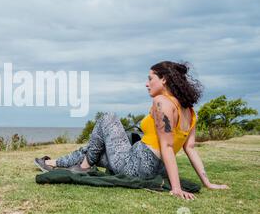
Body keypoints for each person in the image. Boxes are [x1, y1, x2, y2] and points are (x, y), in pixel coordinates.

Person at [34, 61, 229, 200]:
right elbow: (191, 149)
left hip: (136, 165)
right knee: (95, 150)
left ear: (164, 80)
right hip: (153, 167)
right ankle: (52, 162)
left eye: (150, 78)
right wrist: (208, 183)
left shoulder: (162, 102)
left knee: (107, 118)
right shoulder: (190, 111)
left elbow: (167, 146)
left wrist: (176, 188)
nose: (146, 83)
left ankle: (83, 167)